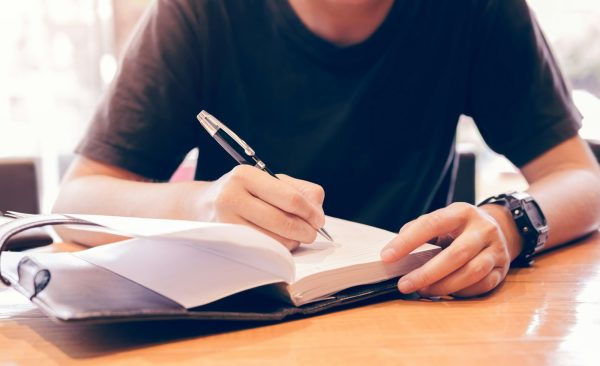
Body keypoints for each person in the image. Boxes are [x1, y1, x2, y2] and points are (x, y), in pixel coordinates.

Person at [53, 0, 600, 298]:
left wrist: (508, 224)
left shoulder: (477, 11)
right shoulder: (197, 12)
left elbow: (580, 178)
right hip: (238, 321)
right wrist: (202, 205)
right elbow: (74, 201)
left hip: (417, 311)